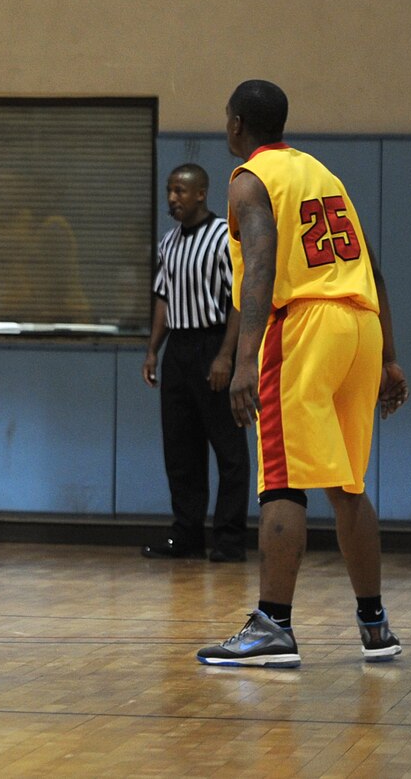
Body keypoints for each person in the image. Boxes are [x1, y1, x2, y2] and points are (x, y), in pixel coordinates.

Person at [197, 80, 408, 668]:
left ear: (238, 125)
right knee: (348, 484)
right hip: (358, 323)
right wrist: (390, 356)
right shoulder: (323, 174)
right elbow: (375, 268)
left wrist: (244, 361)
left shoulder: (249, 180)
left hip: (305, 325)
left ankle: (274, 624)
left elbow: (261, 263)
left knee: (282, 478)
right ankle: (375, 624)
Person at [142, 163, 248, 562]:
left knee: (228, 449)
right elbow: (163, 298)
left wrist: (226, 355)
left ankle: (229, 540)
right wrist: (154, 349)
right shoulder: (169, 243)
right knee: (180, 450)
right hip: (179, 351)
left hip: (213, 343)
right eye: (169, 191)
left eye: (180, 191)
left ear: (201, 193)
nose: (172, 198)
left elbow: (239, 299)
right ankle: (186, 535)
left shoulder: (223, 238)